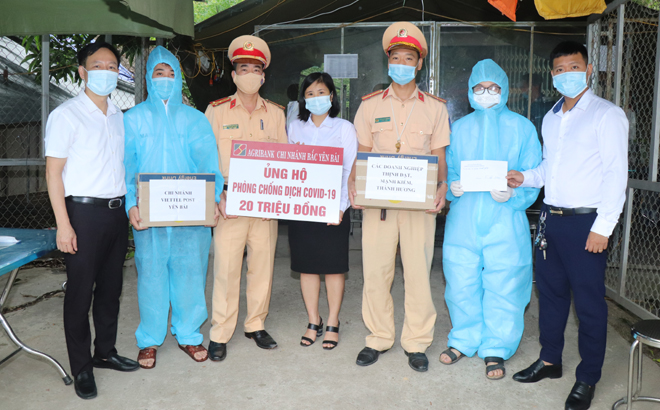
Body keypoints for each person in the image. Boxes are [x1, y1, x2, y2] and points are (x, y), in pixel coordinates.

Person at [507, 41, 628, 410]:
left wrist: (603, 227)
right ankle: (550, 360)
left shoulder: (607, 115)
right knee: (552, 295)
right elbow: (549, 169)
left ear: (588, 70)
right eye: (559, 69)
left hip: (586, 223)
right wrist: (523, 177)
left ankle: (588, 377)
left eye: (573, 67)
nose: (566, 74)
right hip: (551, 220)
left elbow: (615, 175)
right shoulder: (551, 117)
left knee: (589, 303)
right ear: (552, 75)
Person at [348, 22, 451, 372]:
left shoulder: (435, 108)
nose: (402, 63)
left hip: (419, 206)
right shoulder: (369, 105)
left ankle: (417, 341)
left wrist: (442, 187)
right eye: (396, 57)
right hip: (378, 204)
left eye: (409, 58)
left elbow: (439, 156)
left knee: (419, 272)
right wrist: (353, 184)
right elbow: (361, 151)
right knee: (376, 271)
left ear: (419, 64)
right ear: (387, 61)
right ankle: (378, 336)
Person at [45, 41, 139, 400]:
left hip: (116, 215)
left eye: (113, 66)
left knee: (111, 290)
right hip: (82, 214)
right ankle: (81, 366)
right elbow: (54, 174)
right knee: (80, 293)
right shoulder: (66, 115)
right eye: (98, 65)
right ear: (83, 72)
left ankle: (105, 352)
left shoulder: (118, 115)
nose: (106, 71)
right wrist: (63, 224)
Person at [440, 59, 542, 380]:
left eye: (493, 88)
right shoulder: (460, 128)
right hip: (465, 218)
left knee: (506, 279)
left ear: (505, 89)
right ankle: (464, 338)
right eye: (480, 88)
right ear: (471, 91)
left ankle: (497, 344)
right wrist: (453, 188)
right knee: (461, 278)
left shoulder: (522, 128)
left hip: (505, 217)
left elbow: (532, 173)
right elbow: (451, 168)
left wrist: (515, 195)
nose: (487, 93)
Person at [123, 46, 223, 369]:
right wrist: (130, 204)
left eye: (170, 73)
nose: (165, 79)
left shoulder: (195, 120)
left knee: (190, 272)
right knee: (150, 275)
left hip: (190, 215)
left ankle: (189, 334)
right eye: (158, 73)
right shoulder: (133, 119)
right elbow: (126, 167)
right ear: (149, 78)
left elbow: (210, 165)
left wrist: (214, 198)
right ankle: (149, 339)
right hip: (149, 216)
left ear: (179, 78)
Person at [204, 35, 288, 361]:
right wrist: (216, 196)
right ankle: (220, 332)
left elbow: (285, 161)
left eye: (256, 68)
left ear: (263, 75)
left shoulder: (277, 114)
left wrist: (280, 197)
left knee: (262, 266)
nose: (250, 73)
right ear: (234, 74)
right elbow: (206, 159)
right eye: (243, 68)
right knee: (226, 268)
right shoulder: (217, 111)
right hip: (230, 203)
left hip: (265, 204)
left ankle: (255, 324)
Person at [287, 72, 358, 350]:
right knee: (306, 267)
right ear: (304, 99)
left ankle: (332, 321)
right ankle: (313, 320)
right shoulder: (294, 128)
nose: (316, 98)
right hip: (302, 209)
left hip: (333, 209)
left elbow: (350, 171)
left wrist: (340, 208)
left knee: (332, 268)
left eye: (321, 92)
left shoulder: (344, 128)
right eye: (310, 93)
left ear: (332, 96)